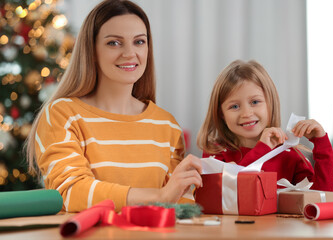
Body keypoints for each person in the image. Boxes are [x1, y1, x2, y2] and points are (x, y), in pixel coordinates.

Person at [25, 0, 202, 213]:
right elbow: (70, 192)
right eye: (114, 43)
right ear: (91, 50)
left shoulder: (167, 125)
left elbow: (181, 206)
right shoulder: (62, 114)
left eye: (139, 42)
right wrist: (159, 196)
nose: (129, 53)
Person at [197, 59, 333, 191]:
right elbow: (226, 193)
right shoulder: (215, 154)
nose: (246, 113)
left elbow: (320, 197)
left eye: (255, 102)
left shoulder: (290, 156)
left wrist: (321, 143)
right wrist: (262, 150)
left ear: (271, 103)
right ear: (221, 113)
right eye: (234, 106)